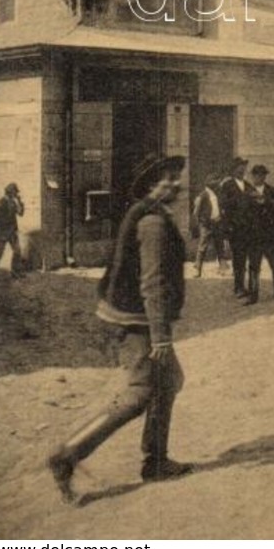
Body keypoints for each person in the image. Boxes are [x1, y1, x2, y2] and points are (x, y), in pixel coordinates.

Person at [47, 153, 191, 502]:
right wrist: (160, 336)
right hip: (137, 321)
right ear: (150, 186)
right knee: (140, 392)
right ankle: (67, 455)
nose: (174, 182)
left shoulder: (151, 213)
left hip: (133, 316)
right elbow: (152, 283)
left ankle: (155, 460)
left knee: (169, 380)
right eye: (166, 178)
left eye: (175, 176)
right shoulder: (153, 223)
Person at [219, 155, 255, 298]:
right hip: (235, 227)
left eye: (244, 166)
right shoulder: (227, 185)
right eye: (239, 166)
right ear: (233, 170)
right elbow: (223, 204)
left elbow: (255, 198)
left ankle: (245, 286)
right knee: (238, 258)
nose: (242, 169)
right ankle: (238, 287)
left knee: (245, 258)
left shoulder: (247, 185)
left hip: (248, 227)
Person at [246, 165, 274, 303]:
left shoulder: (273, 191)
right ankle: (253, 294)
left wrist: (264, 200)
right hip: (254, 235)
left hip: (270, 234)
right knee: (254, 266)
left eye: (261, 175)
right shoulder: (247, 193)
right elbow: (245, 212)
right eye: (256, 175)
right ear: (253, 176)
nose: (259, 177)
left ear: (265, 176)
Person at [192, 172, 228, 277]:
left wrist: (220, 217)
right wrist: (201, 222)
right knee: (202, 247)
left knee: (220, 246)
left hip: (217, 223)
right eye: (215, 181)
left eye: (217, 181)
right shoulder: (203, 194)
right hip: (206, 225)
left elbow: (220, 207)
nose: (217, 183)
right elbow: (196, 211)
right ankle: (197, 269)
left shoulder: (217, 194)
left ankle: (222, 269)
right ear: (209, 183)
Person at [0, 182, 25, 281]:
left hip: (12, 232)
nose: (15, 194)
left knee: (17, 252)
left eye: (16, 193)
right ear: (9, 192)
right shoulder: (0, 203)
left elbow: (21, 213)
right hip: (3, 233)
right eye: (14, 192)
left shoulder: (13, 202)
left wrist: (20, 201)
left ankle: (15, 272)